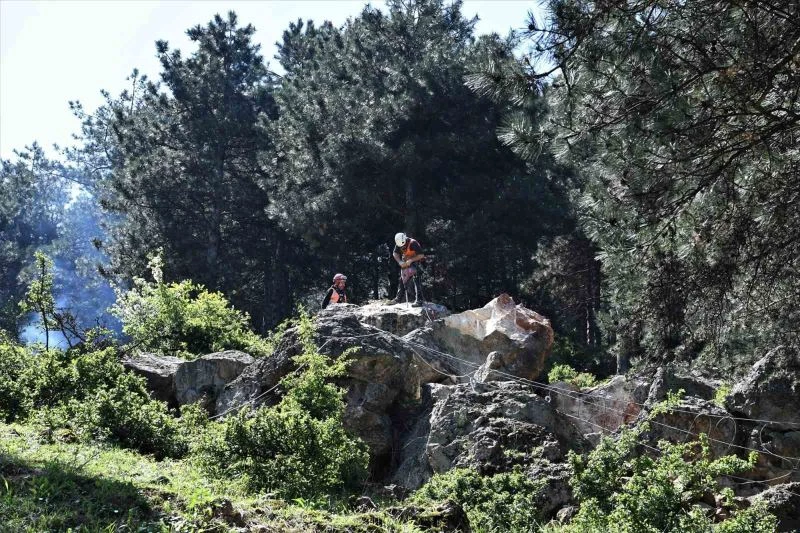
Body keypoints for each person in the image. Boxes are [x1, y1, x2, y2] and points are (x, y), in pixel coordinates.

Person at [391, 232, 425, 304]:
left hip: (416, 262)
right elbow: (395, 253)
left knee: (416, 278)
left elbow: (421, 255)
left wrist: (411, 260)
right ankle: (398, 299)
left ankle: (419, 300)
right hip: (406, 261)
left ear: (405, 239)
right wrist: (400, 262)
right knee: (402, 279)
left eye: (403, 245)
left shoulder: (413, 243)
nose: (402, 247)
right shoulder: (399, 243)